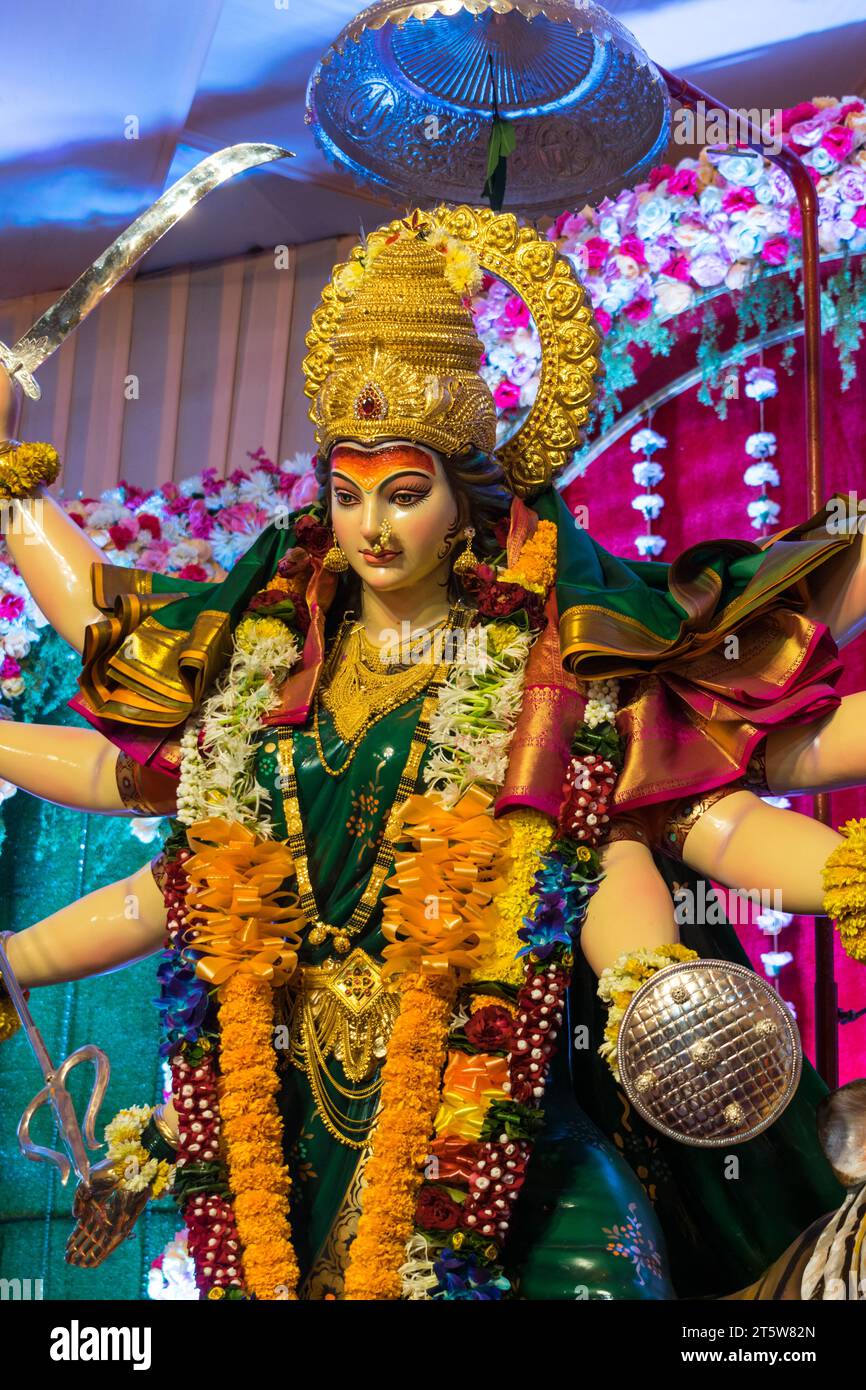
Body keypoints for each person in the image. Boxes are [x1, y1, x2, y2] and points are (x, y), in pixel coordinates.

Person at [0, 206, 863, 1300]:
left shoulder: (552, 661)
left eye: (403, 493)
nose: (371, 528)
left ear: (462, 497)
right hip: (289, 1138)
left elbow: (715, 807)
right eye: (346, 493)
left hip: (497, 1129)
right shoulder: (268, 662)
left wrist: (842, 879)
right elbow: (140, 798)